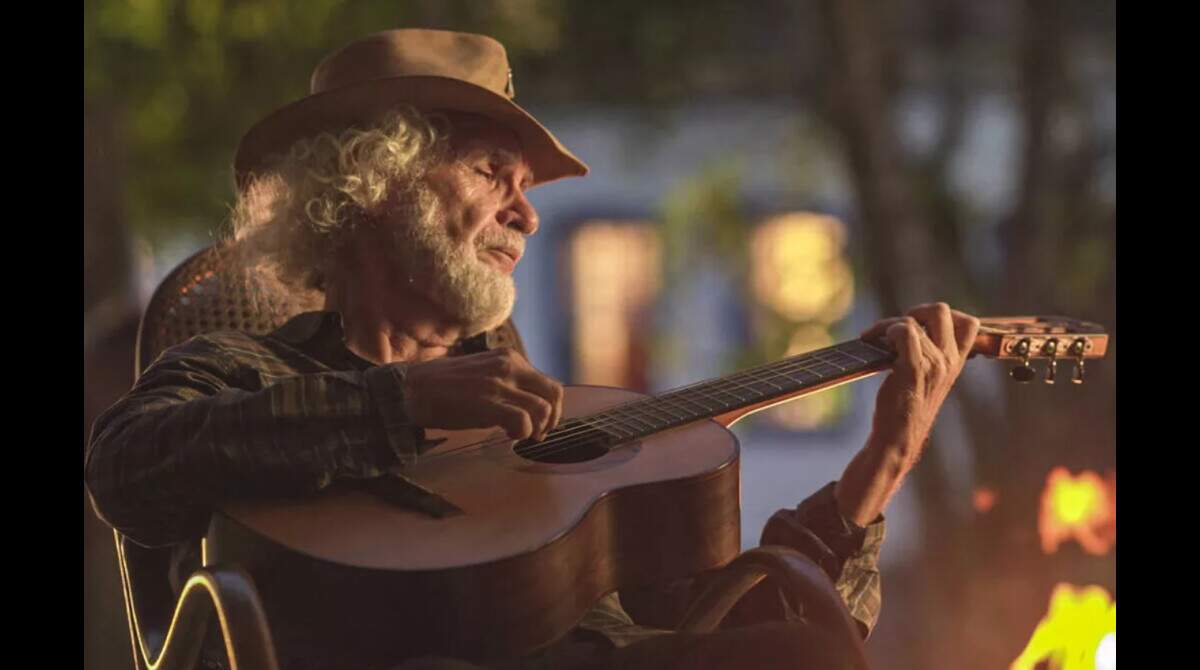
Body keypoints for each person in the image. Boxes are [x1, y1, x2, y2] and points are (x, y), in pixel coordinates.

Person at [85, 28, 981, 670]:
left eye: (526, 185)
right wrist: (401, 406)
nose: (528, 213)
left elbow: (721, 617)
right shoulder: (245, 372)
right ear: (368, 186)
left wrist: (884, 462)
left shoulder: (540, 424)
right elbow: (128, 469)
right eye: (488, 173)